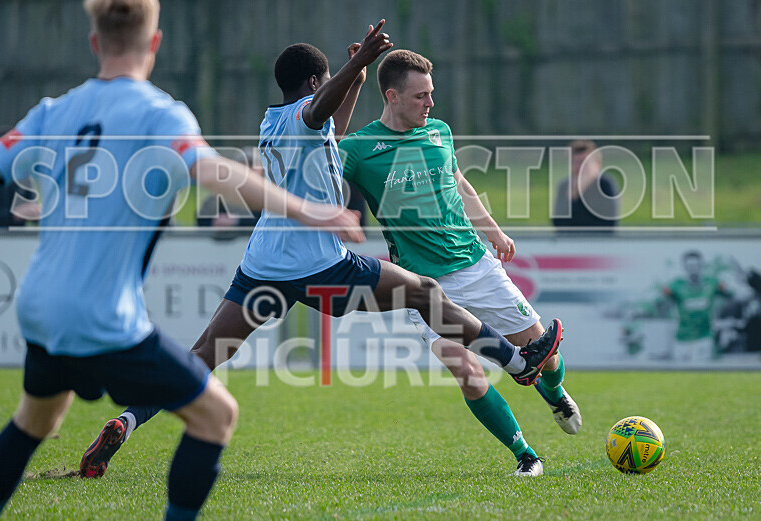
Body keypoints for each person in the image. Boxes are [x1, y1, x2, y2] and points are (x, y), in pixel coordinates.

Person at [81, 25, 563, 480]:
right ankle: (519, 363)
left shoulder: (273, 120)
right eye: (327, 79)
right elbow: (317, 113)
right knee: (424, 291)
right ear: (314, 81)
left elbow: (326, 123)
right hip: (317, 265)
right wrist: (360, 66)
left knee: (206, 352)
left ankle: (127, 420)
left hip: (262, 264)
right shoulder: (302, 115)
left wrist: (349, 78)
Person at [0, 1, 364, 520]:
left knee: (34, 421)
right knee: (216, 416)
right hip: (102, 316)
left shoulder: (51, 111)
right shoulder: (161, 114)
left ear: (93, 44)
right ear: (154, 45)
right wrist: (310, 209)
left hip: (38, 305)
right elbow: (215, 172)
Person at [337, 49, 581, 477]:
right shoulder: (358, 150)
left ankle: (555, 392)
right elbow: (319, 166)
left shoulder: (439, 133)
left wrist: (494, 230)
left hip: (475, 265)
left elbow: (460, 183)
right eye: (420, 96)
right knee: (466, 370)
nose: (430, 104)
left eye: (432, 94)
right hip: (422, 285)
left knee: (544, 353)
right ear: (392, 96)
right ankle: (526, 455)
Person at [662, 251, 732, 362]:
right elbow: (663, 297)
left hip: (703, 338)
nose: (693, 269)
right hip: (682, 338)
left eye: (695, 265)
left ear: (701, 266)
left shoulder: (711, 283)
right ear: (685, 267)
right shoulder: (677, 285)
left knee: (700, 374)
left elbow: (731, 295)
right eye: (689, 266)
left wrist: (726, 289)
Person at [552, 140, 619, 231]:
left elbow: (609, 224)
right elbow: (559, 224)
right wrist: (575, 195)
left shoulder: (605, 185)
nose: (580, 167)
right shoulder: (564, 186)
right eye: (575, 162)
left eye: (584, 162)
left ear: (597, 165)